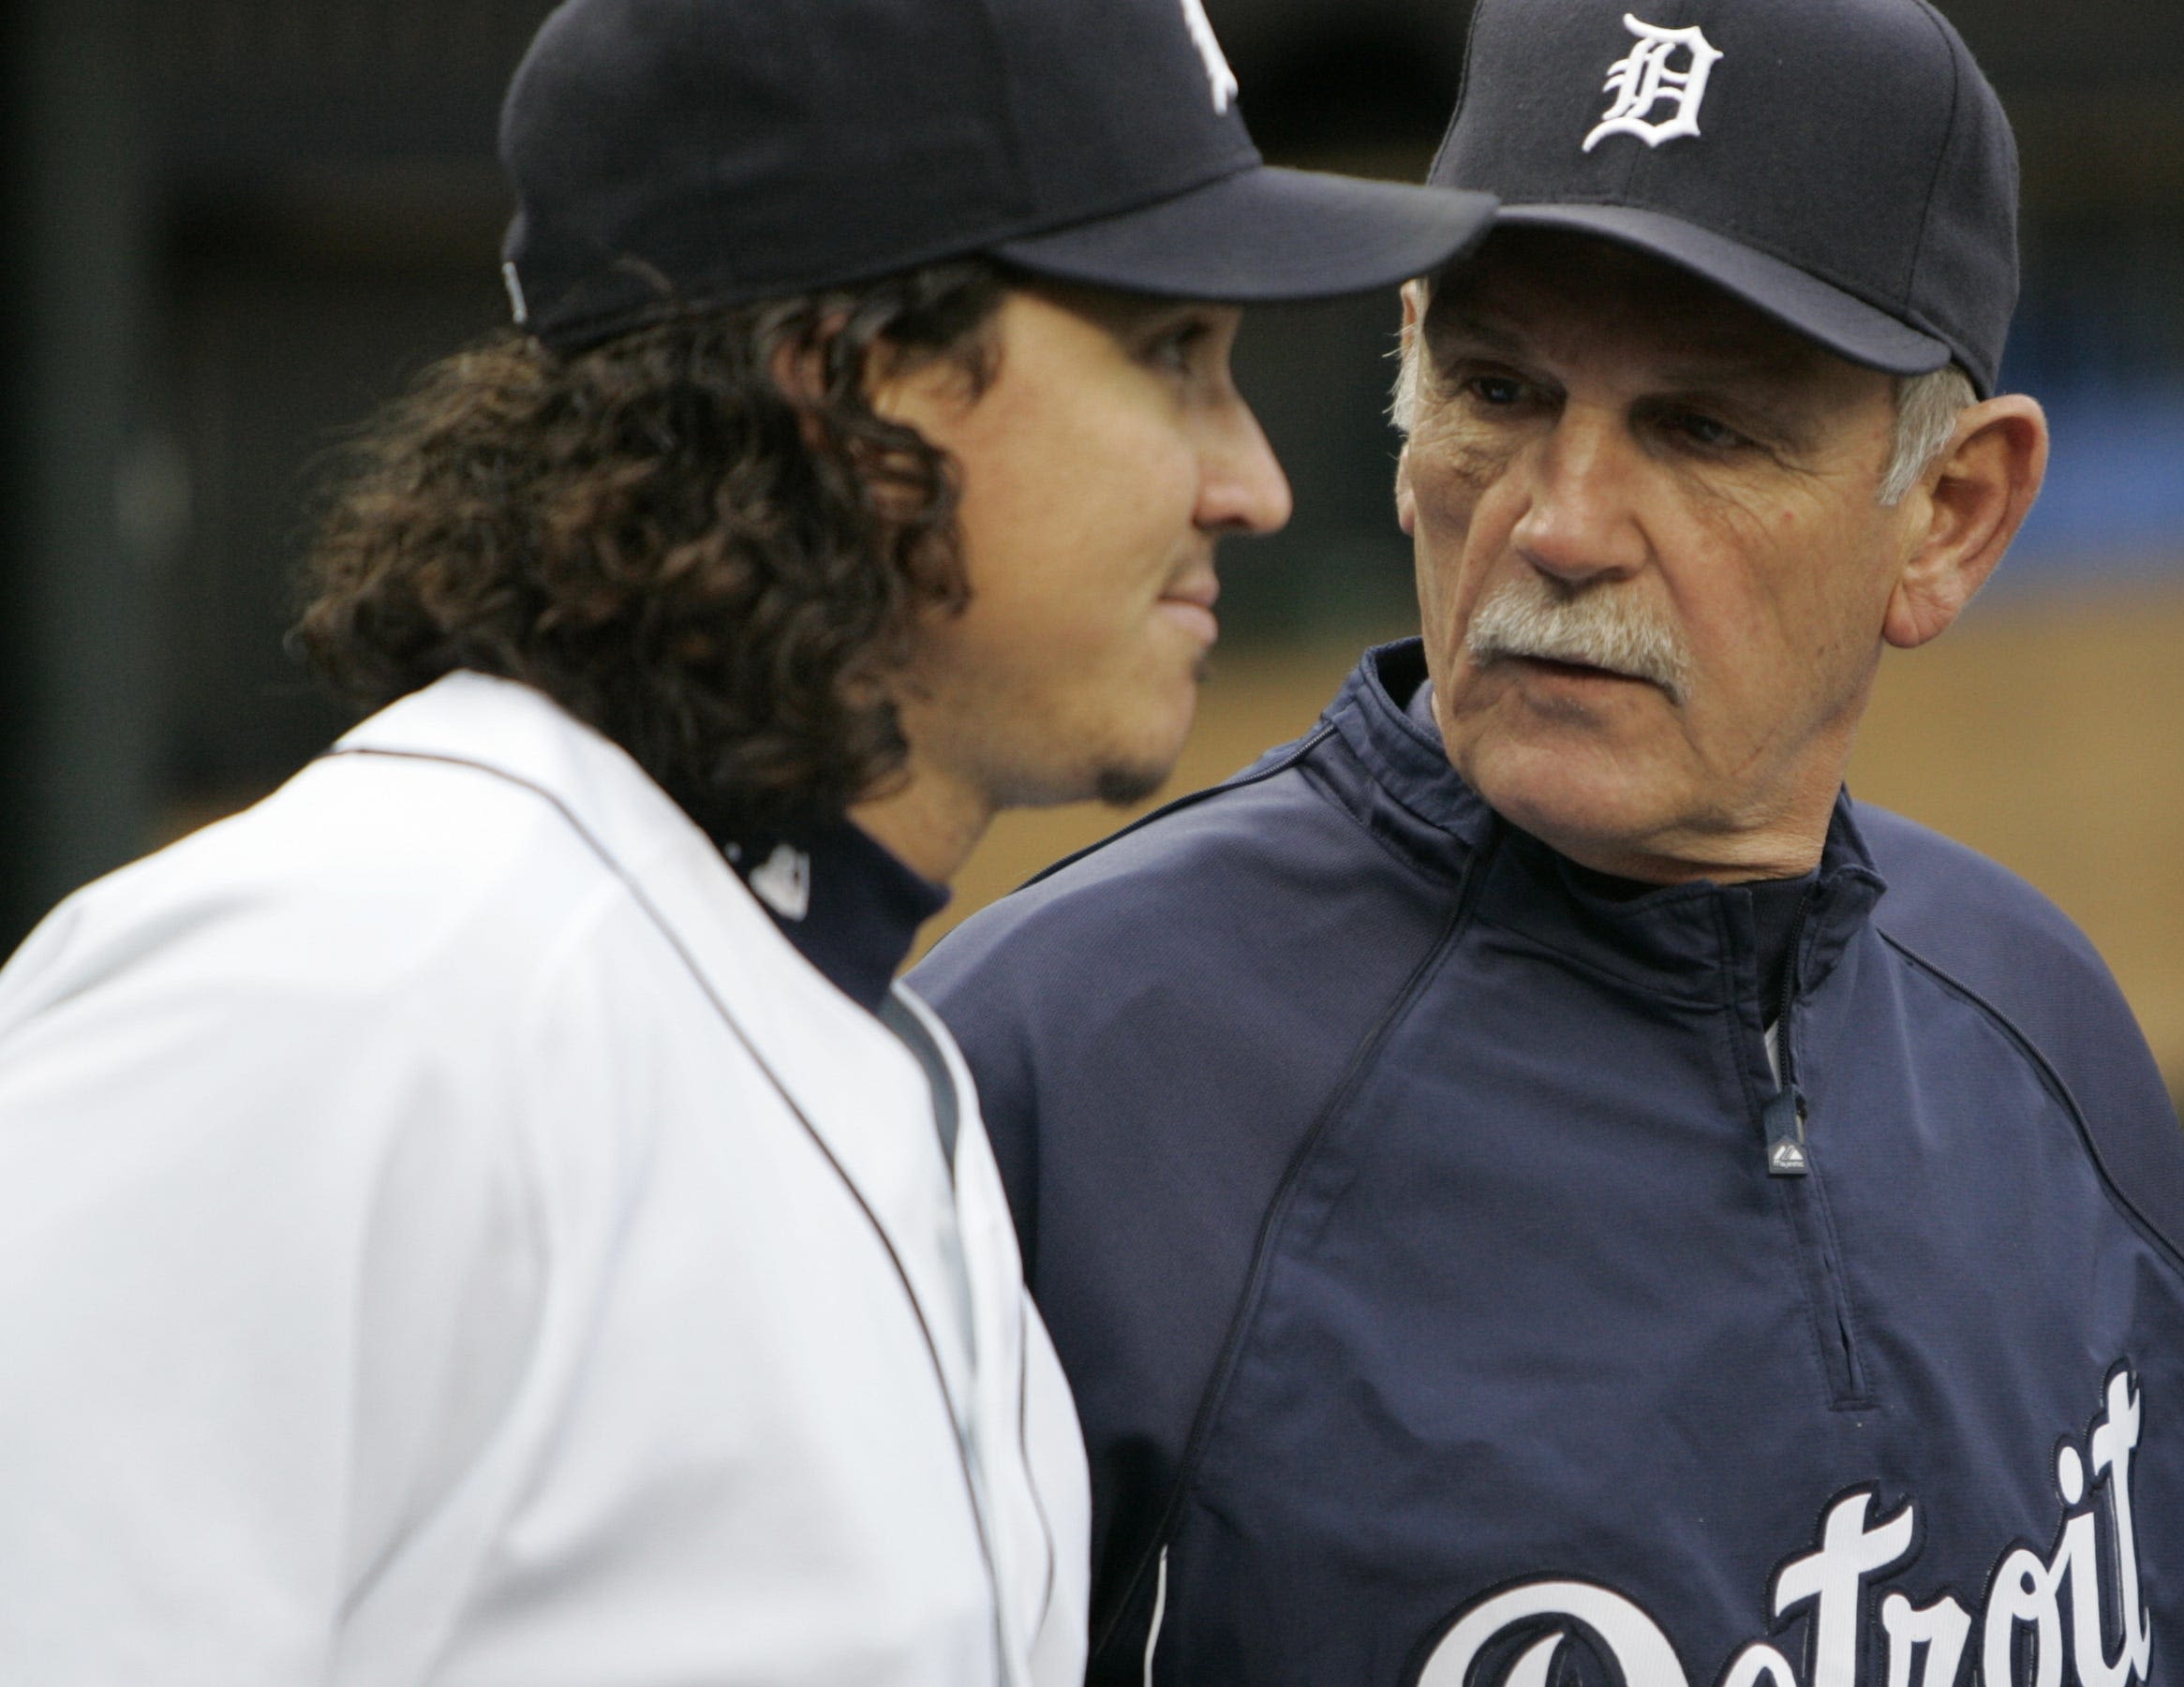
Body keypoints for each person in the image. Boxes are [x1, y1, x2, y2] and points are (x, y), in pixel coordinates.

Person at [0, 0, 1491, 1680]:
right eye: (1171, 357)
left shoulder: (863, 1034)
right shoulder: (335, 997)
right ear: (847, 387)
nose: (1254, 482)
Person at [913, 0, 2184, 1680]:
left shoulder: (2043, 1023)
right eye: (1497, 388)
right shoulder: (1064, 1073)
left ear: (1948, 517)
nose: (1562, 521)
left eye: (1704, 428)